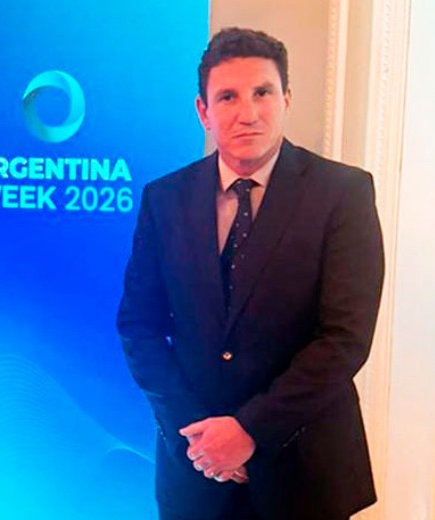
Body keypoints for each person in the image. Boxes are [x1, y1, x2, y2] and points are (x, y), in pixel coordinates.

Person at [117, 27, 384, 520]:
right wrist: (197, 435)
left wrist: (249, 432)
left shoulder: (343, 194)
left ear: (286, 99)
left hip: (304, 473)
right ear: (203, 111)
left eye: (262, 92)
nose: (248, 112)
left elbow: (344, 339)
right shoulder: (164, 199)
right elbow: (139, 326)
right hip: (195, 473)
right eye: (228, 97)